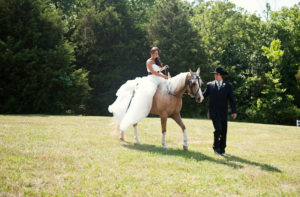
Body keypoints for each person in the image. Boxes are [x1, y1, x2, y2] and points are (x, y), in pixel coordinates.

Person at [108, 47, 169, 132]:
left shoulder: (156, 61)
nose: (156, 54)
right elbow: (153, 72)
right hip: (152, 79)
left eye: (157, 53)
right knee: (150, 91)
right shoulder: (149, 61)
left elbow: (158, 70)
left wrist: (163, 68)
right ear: (151, 53)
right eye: (154, 53)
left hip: (159, 78)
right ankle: (148, 106)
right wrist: (163, 76)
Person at [203, 67, 237, 156]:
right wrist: (195, 96)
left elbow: (232, 100)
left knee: (224, 131)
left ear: (221, 75)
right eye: (214, 74)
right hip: (213, 112)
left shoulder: (228, 86)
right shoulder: (209, 85)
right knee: (218, 129)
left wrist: (234, 111)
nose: (215, 75)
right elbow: (203, 95)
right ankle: (216, 148)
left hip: (223, 113)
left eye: (216, 74)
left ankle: (222, 150)